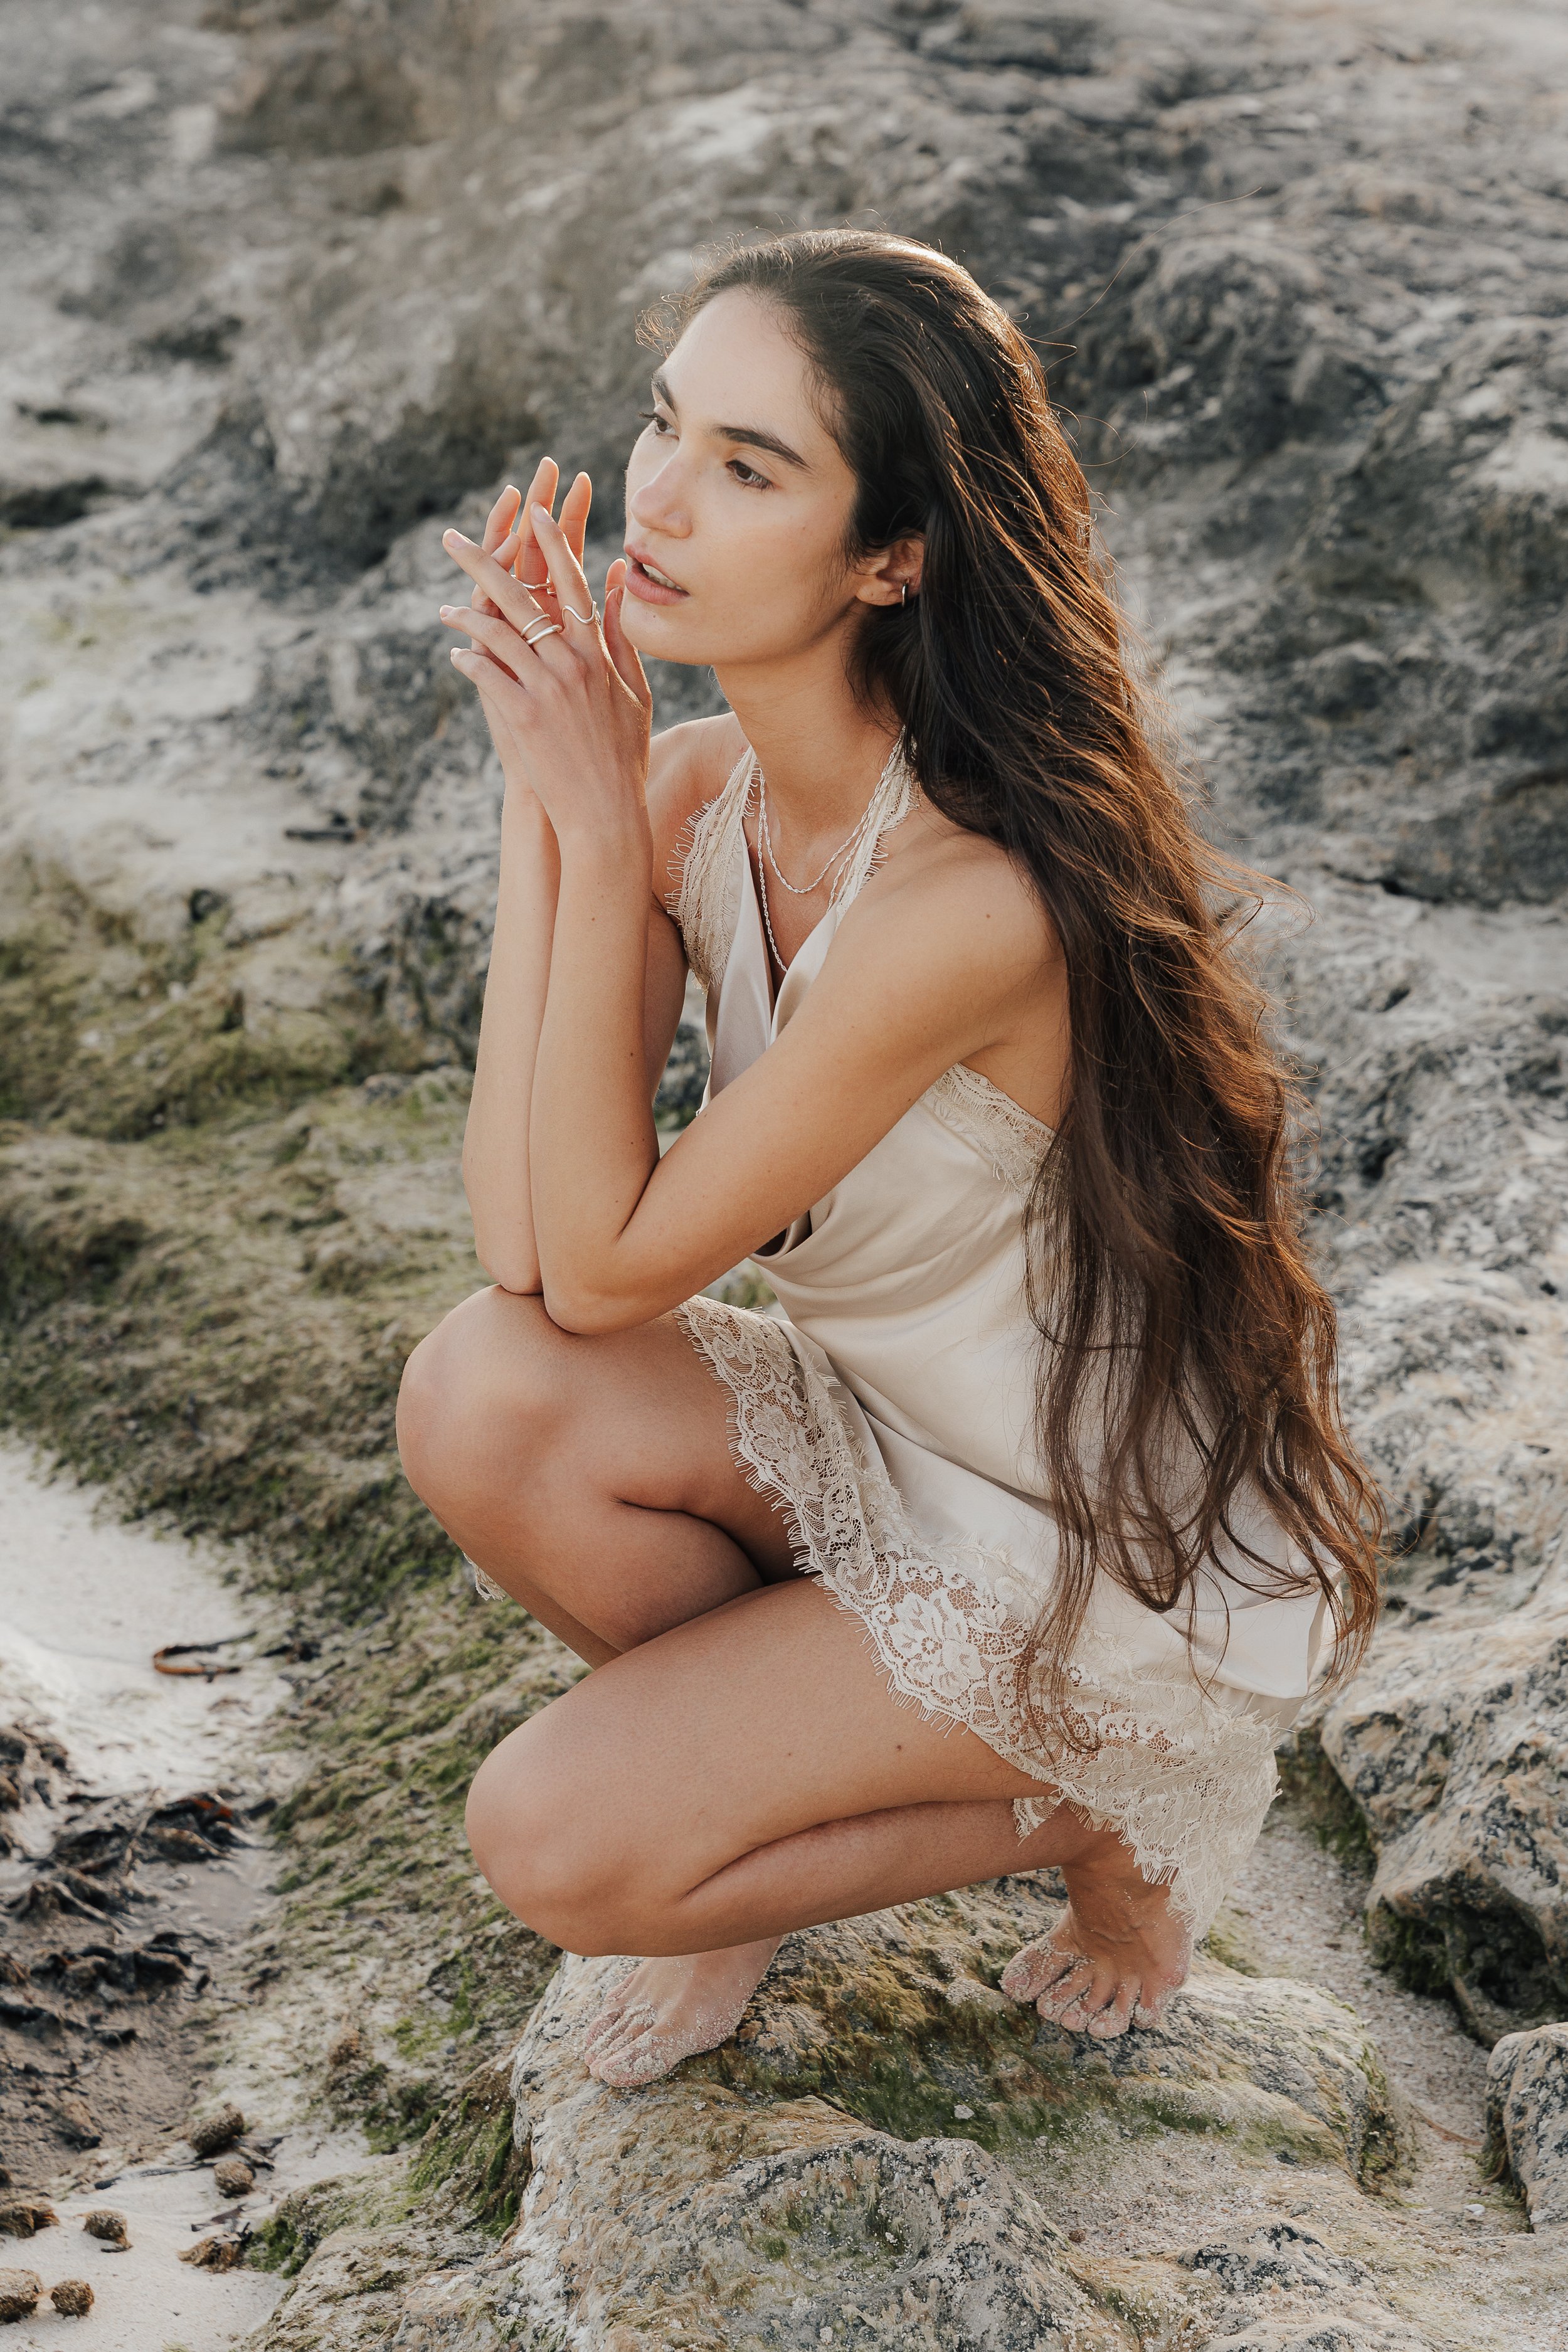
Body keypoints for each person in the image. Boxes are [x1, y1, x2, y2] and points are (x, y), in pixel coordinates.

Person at [396, 230, 1380, 2090]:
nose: (662, 500)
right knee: (481, 1390)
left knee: (556, 1846)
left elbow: (614, 1271)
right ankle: (758, 1803)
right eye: (665, 425)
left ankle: (1102, 1815)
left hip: (1082, 1546)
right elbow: (529, 1255)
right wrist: (562, 805)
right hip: (884, 1444)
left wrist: (600, 844)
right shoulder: (699, 797)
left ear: (894, 556)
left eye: (750, 468)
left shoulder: (964, 901)